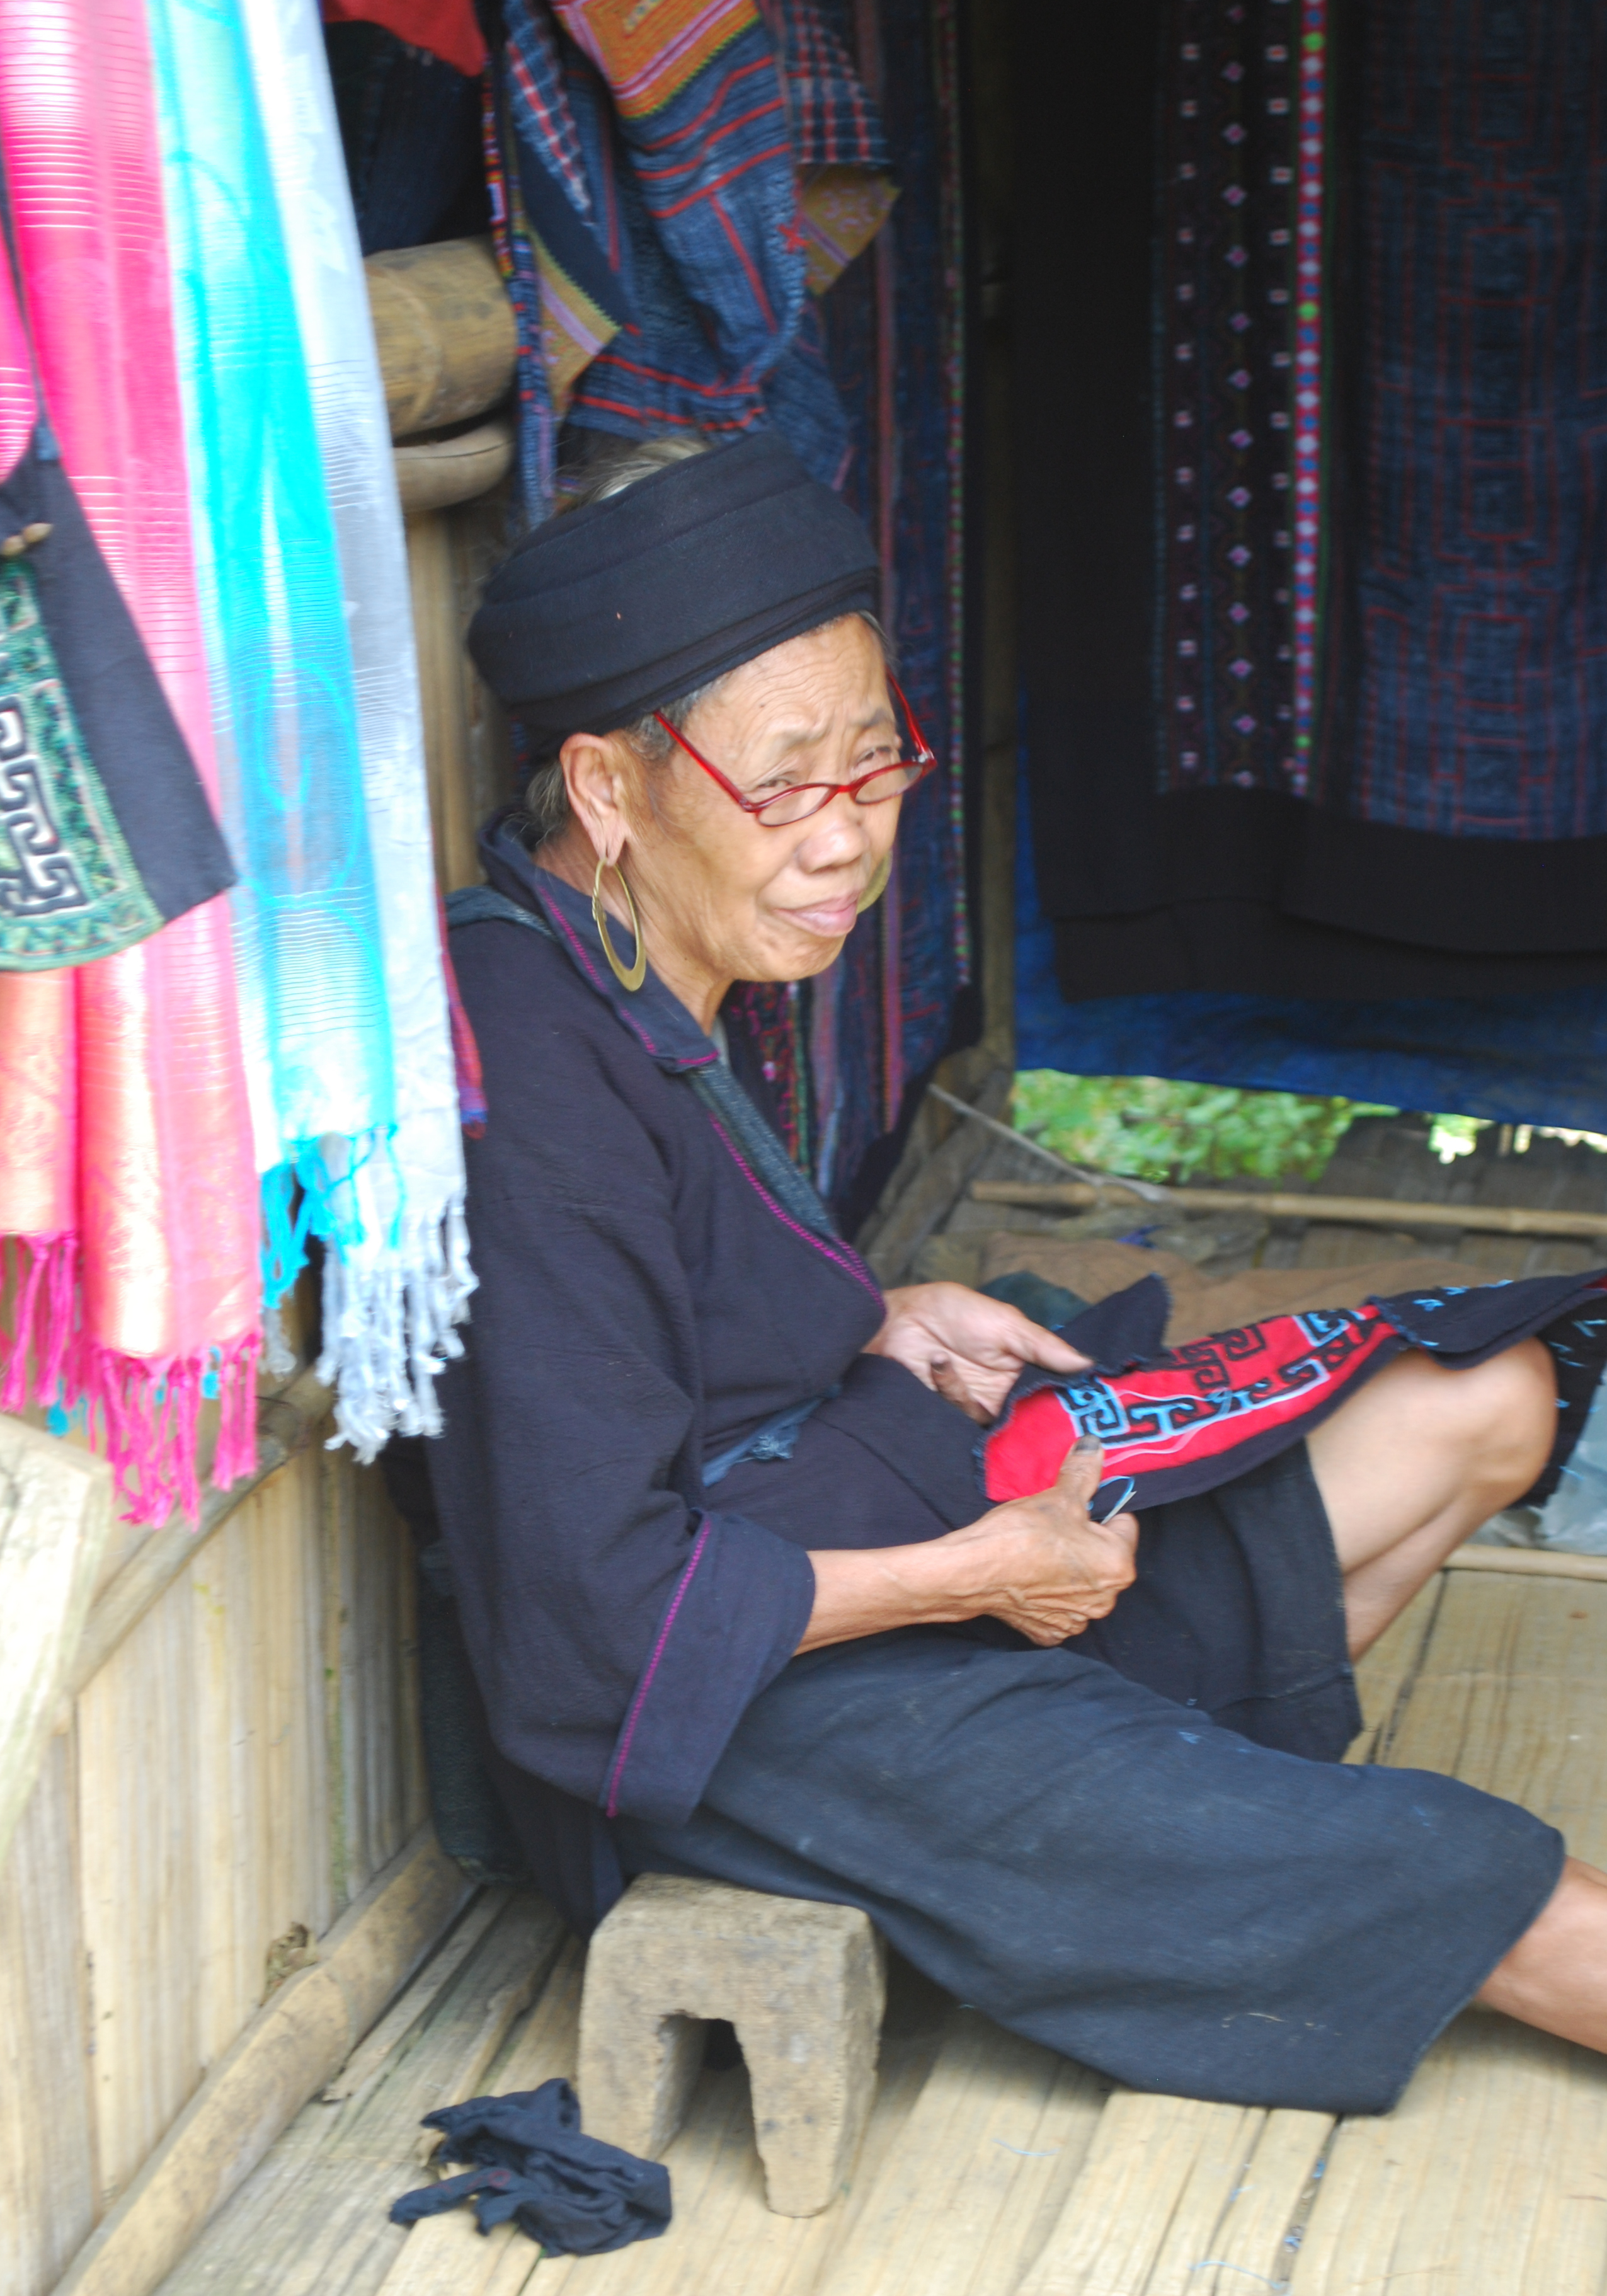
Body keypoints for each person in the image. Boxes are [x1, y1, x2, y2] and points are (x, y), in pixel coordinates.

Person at [419, 429, 1607, 2116]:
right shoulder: (529, 1074)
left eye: (873, 763)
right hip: (740, 1728)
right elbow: (595, 1628)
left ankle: (1157, 1837)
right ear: (610, 790)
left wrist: (877, 1319)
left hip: (875, 1528)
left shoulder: (630, 962)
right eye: (785, 785)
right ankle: (1174, 1840)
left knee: (1477, 1402)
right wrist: (975, 1574)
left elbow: (677, 1327)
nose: (847, 838)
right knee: (1488, 1886)